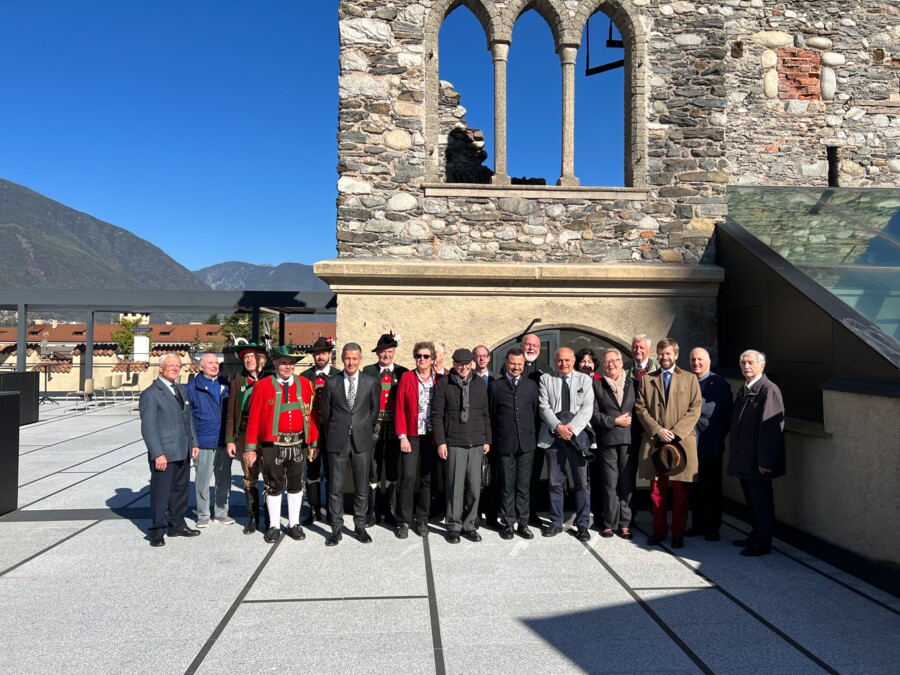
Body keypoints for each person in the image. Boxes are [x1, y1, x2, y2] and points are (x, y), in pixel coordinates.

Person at [244, 346, 319, 544]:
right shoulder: (262, 386)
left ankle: (294, 523)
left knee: (296, 484)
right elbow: (253, 419)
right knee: (273, 485)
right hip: (272, 445)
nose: (288, 367)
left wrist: (313, 442)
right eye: (284, 362)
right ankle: (274, 526)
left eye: (291, 363)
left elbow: (311, 415)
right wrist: (250, 448)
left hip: (299, 443)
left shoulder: (305, 384)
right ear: (275, 364)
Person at [634, 338, 702, 549]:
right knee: (657, 490)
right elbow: (640, 407)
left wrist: (675, 432)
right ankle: (658, 530)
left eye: (668, 353)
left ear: (676, 355)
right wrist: (657, 430)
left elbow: (695, 408)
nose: (664, 357)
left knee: (680, 492)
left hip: (680, 443)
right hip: (656, 442)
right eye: (661, 353)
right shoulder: (647, 379)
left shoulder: (690, 379)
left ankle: (678, 532)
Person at [320, 342, 380, 546]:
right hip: (338, 441)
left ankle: (359, 526)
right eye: (347, 358)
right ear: (342, 359)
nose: (351, 362)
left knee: (361, 486)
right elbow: (326, 414)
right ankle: (336, 528)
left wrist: (360, 427)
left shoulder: (370, 382)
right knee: (335, 487)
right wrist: (339, 428)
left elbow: (374, 413)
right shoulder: (331, 383)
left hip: (361, 441)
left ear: (360, 359)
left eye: (354, 358)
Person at [728, 349, 785, 557]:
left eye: (751, 362)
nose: (746, 366)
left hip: (758, 461)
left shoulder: (768, 390)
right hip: (744, 458)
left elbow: (770, 430)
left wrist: (765, 460)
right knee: (752, 501)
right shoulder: (745, 389)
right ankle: (755, 535)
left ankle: (762, 543)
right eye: (743, 362)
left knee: (761, 502)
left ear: (762, 365)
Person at [140, 353, 200, 547]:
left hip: (183, 449)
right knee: (161, 492)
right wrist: (158, 453)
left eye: (178, 365)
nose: (175, 369)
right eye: (171, 365)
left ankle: (177, 524)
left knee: (180, 491)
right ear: (161, 368)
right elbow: (148, 427)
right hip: (164, 453)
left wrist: (194, 442)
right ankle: (157, 530)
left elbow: (188, 419)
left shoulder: (181, 389)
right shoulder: (151, 393)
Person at [432, 348, 491, 543]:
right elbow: (437, 416)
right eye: (459, 364)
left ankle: (470, 525)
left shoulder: (480, 384)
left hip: (476, 442)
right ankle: (454, 526)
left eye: (466, 364)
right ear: (454, 363)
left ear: (472, 364)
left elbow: (485, 414)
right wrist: (441, 441)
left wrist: (487, 439)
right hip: (454, 442)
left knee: (474, 487)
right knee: (455, 487)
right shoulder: (443, 384)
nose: (463, 367)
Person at [538, 347, 595, 541]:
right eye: (560, 360)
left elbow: (587, 409)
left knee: (582, 483)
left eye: (567, 360)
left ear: (573, 361)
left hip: (578, 437)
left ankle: (582, 525)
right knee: (555, 482)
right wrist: (558, 427)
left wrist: (570, 430)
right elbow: (543, 406)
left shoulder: (585, 380)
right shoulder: (546, 379)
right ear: (555, 361)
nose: (564, 364)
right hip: (553, 436)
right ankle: (555, 522)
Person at [489, 349, 539, 540]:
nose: (516, 367)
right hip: (505, 442)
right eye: (513, 363)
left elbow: (534, 412)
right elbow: (492, 414)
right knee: (507, 486)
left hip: (526, 443)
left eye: (520, 364)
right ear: (506, 363)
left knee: (523, 486)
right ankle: (508, 523)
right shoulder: (496, 386)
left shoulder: (531, 385)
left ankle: (523, 523)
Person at [394, 341, 441, 538]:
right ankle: (404, 520)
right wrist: (402, 436)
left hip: (431, 437)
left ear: (432, 359)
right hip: (412, 436)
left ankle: (422, 518)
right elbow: (399, 408)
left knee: (427, 479)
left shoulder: (440, 379)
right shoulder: (407, 377)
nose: (421, 359)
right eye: (418, 356)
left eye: (425, 356)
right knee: (408, 477)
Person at [686, 347, 733, 542]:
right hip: (690, 446)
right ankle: (697, 524)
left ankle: (713, 527)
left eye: (700, 359)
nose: (696, 363)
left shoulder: (719, 383)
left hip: (711, 444)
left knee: (712, 488)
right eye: (693, 359)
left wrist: (717, 437)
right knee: (694, 488)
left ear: (709, 361)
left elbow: (727, 416)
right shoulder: (687, 382)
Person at [590, 348, 637, 539]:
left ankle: (625, 523)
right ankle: (609, 523)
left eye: (614, 361)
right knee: (610, 483)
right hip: (608, 440)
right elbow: (594, 414)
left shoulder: (633, 384)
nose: (611, 364)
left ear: (621, 362)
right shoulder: (598, 386)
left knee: (626, 482)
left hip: (628, 440)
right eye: (607, 362)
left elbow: (640, 409)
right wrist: (614, 421)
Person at [362, 332, 408, 526]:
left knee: (392, 469)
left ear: (394, 352)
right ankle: (372, 510)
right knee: (373, 469)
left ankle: (390, 510)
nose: (386, 355)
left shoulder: (403, 372)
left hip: (394, 427)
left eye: (389, 351)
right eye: (383, 351)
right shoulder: (368, 371)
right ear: (377, 353)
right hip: (373, 426)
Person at [225, 343, 268, 534]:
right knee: (249, 478)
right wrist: (230, 439)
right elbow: (231, 414)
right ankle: (252, 518)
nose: (248, 360)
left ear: (261, 360)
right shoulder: (237, 382)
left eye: (251, 356)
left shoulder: (270, 380)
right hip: (244, 436)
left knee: (269, 478)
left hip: (266, 437)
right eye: (245, 357)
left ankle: (269, 517)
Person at [186, 353, 233, 527]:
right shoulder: (192, 387)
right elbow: (188, 417)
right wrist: (194, 442)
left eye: (216, 363)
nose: (215, 366)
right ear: (201, 367)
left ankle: (221, 512)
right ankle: (203, 514)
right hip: (204, 441)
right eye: (210, 363)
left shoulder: (226, 385)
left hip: (223, 440)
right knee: (202, 480)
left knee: (224, 480)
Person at [300, 335, 339, 526]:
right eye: (317, 353)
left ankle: (332, 511)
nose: (320, 356)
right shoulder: (305, 377)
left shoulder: (339, 375)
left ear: (330, 355)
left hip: (332, 431)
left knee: (332, 473)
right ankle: (314, 509)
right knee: (312, 472)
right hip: (312, 431)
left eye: (324, 353)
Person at [473, 344, 500, 528]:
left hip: (496, 435)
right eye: (478, 356)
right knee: (474, 477)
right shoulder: (467, 378)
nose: (481, 359)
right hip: (474, 434)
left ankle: (491, 516)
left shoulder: (498, 379)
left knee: (493, 478)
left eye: (484, 356)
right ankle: (474, 515)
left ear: (489, 358)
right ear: (474, 359)